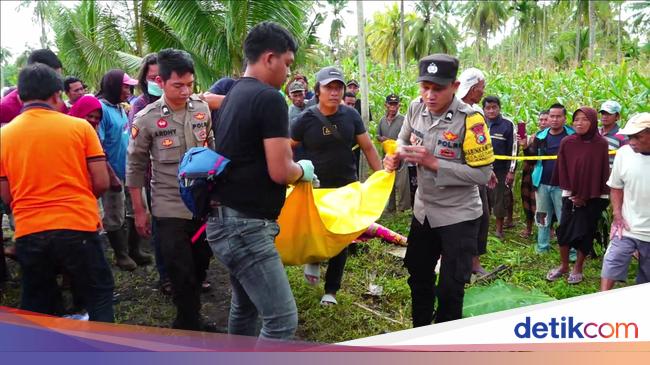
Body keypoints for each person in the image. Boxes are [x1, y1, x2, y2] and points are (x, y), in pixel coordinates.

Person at [206, 22, 314, 340]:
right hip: (245, 227)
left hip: (223, 219)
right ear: (269, 58)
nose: (287, 73)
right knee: (282, 321)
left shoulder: (234, 92)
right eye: (287, 64)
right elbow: (280, 170)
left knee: (245, 307)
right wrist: (302, 170)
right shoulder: (269, 99)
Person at [384, 54, 494, 325]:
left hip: (459, 216)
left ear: (455, 86)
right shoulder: (414, 108)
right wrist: (396, 155)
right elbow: (402, 137)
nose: (430, 95)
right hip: (424, 212)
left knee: (450, 288)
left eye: (438, 88)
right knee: (418, 276)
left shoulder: (471, 120)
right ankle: (419, 331)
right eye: (425, 87)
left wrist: (435, 163)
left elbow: (482, 174)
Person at [0, 63, 114, 321]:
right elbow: (101, 181)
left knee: (39, 303)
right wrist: (79, 199)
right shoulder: (80, 128)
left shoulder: (4, 136)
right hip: (77, 224)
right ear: (57, 95)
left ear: (19, 97)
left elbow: (6, 196)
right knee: (98, 293)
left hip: (30, 230)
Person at [127, 48, 214, 331]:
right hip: (168, 206)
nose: (185, 91)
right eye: (178, 85)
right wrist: (140, 210)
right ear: (160, 82)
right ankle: (187, 323)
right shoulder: (147, 118)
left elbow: (209, 147)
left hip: (200, 205)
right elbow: (135, 166)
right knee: (180, 270)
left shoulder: (201, 109)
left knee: (201, 264)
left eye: (190, 84)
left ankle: (193, 317)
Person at [293, 66, 382, 306]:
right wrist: (292, 173)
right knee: (315, 231)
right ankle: (313, 259)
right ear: (318, 91)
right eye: (328, 88)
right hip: (316, 188)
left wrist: (381, 175)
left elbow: (368, 147)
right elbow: (286, 146)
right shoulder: (305, 119)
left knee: (341, 237)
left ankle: (331, 290)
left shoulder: (351, 116)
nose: (334, 92)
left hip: (346, 187)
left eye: (338, 88)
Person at [96, 69, 153, 271]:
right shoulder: (101, 110)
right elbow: (98, 147)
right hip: (113, 172)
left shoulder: (120, 107)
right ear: (112, 86)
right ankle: (121, 255)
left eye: (130, 86)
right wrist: (110, 175)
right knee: (114, 215)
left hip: (129, 169)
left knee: (137, 208)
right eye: (124, 86)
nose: (129, 90)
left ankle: (133, 250)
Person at [546, 107, 610, 284]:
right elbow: (563, 168)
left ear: (593, 121)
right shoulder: (568, 142)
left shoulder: (600, 144)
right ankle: (564, 265)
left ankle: (578, 267)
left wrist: (586, 196)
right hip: (570, 194)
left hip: (592, 196)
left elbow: (599, 172)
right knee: (564, 229)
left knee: (585, 231)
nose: (579, 123)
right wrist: (573, 192)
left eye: (584, 119)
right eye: (576, 119)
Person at [600, 113, 650, 290]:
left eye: (638, 136)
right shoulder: (624, 154)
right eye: (630, 137)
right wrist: (617, 215)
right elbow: (616, 186)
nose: (632, 142)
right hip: (627, 226)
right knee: (612, 262)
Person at [522, 103, 575, 254]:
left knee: (564, 218)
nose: (555, 119)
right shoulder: (540, 137)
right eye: (552, 116)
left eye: (559, 116)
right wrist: (525, 147)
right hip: (543, 183)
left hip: (563, 185)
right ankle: (542, 247)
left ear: (565, 119)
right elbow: (532, 160)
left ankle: (570, 250)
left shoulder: (572, 137)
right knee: (542, 216)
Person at [458, 67, 492, 275]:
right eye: (481, 87)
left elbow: (482, 145)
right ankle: (459, 259)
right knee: (461, 218)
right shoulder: (456, 110)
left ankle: (475, 260)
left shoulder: (477, 112)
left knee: (482, 216)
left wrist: (490, 169)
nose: (483, 91)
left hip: (478, 174)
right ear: (471, 89)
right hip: (460, 174)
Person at [0, 49, 68, 125]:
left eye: (59, 77)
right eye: (52, 77)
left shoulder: (57, 102)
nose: (57, 83)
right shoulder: (4, 109)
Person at [483, 95, 516, 238]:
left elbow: (513, 149)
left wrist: (511, 170)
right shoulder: (479, 123)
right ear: (483, 109)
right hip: (481, 167)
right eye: (487, 108)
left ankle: (499, 229)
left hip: (501, 169)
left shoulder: (507, 124)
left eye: (494, 107)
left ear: (499, 108)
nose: (491, 111)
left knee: (499, 198)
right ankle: (483, 226)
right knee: (483, 197)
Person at [377, 93, 410, 213]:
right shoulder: (382, 121)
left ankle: (403, 208)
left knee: (401, 183)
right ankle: (390, 207)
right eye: (390, 104)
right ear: (386, 105)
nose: (393, 107)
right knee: (388, 180)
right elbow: (378, 135)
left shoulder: (403, 120)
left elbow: (407, 137)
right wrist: (381, 139)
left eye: (395, 104)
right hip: (387, 155)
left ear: (399, 105)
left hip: (400, 155)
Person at [519, 110, 549, 238]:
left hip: (544, 173)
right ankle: (529, 227)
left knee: (544, 202)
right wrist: (525, 145)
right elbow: (530, 157)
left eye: (545, 120)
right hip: (530, 172)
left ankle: (549, 230)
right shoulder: (534, 136)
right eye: (541, 120)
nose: (542, 122)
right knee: (528, 200)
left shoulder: (553, 137)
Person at [598, 100, 627, 168]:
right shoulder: (596, 132)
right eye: (603, 113)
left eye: (609, 114)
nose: (605, 116)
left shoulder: (622, 136)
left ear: (617, 117)